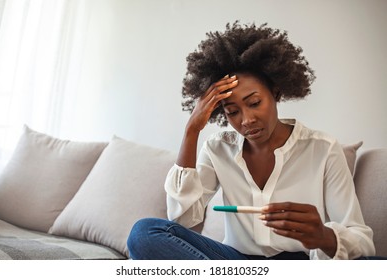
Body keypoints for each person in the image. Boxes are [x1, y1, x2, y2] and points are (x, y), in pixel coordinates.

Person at [127, 22, 375, 260]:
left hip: (300, 263)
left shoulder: (323, 149)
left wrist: (324, 237)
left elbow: (361, 240)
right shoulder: (217, 149)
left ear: (276, 92)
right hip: (235, 263)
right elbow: (183, 220)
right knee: (144, 234)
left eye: (254, 103)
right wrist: (191, 130)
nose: (246, 120)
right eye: (232, 111)